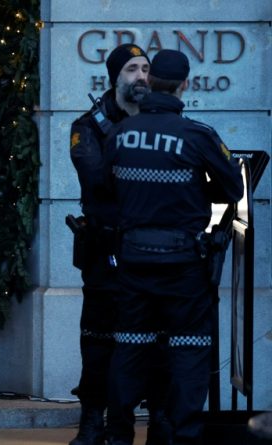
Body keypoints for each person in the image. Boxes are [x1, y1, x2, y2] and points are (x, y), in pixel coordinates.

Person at [103, 49, 243, 445]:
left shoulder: (119, 133)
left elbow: (104, 188)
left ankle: (118, 435)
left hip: (133, 259)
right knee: (189, 351)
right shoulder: (196, 135)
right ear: (184, 85)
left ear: (149, 83)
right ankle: (183, 436)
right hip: (183, 264)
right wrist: (197, 190)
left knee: (129, 349)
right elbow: (234, 188)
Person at [68, 43, 169, 445]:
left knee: (157, 339)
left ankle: (159, 420)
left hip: (151, 251)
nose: (141, 76)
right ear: (114, 78)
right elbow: (95, 178)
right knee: (98, 340)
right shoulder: (87, 126)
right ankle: (93, 420)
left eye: (145, 69)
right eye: (131, 69)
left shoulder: (163, 121)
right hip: (105, 249)